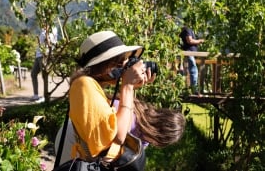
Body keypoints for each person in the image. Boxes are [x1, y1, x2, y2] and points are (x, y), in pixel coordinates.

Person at [55, 31, 186, 169]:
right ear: (102, 64)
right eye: (119, 62)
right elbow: (116, 137)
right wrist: (127, 86)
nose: (125, 65)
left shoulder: (92, 86)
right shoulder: (84, 84)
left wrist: (130, 86)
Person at [31, 26, 57, 103]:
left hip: (44, 54)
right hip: (38, 54)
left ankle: (44, 96)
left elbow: (53, 42)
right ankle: (36, 95)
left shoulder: (53, 29)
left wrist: (48, 37)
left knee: (44, 76)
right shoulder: (43, 28)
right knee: (33, 74)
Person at [179, 26, 204, 95]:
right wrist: (200, 41)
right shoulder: (187, 29)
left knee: (185, 70)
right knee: (193, 70)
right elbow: (189, 40)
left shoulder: (183, 31)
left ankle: (183, 89)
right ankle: (194, 89)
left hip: (187, 53)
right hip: (188, 53)